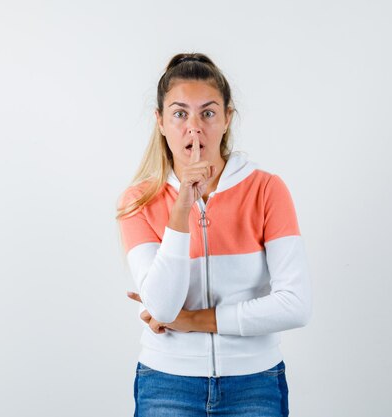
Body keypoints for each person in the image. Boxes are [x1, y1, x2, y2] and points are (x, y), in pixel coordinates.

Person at [115, 52, 312, 417]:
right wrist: (181, 209)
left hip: (254, 382)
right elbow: (161, 308)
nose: (194, 127)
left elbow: (295, 305)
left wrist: (191, 321)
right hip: (167, 383)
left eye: (207, 113)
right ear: (159, 121)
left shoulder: (267, 190)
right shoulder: (138, 201)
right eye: (179, 113)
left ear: (226, 119)